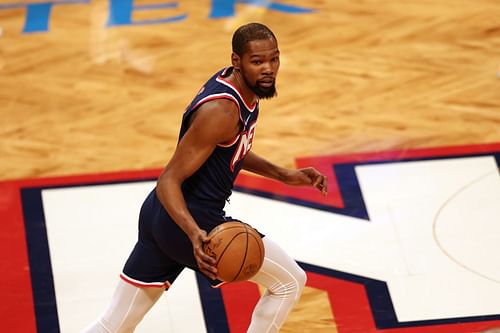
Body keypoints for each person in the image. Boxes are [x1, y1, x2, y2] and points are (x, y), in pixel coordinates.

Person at [82, 22, 328, 333]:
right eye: (257, 62)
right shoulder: (222, 111)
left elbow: (229, 147)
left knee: (114, 324)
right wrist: (194, 232)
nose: (268, 69)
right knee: (290, 282)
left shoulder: (238, 88)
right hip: (191, 219)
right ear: (237, 61)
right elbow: (168, 179)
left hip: (161, 215)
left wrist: (283, 174)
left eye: (274, 59)